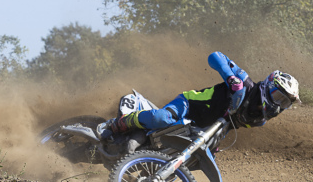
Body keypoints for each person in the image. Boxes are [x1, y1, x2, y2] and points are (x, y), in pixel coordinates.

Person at [99, 51, 300, 141]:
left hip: (199, 129)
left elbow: (227, 125)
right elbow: (215, 56)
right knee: (162, 118)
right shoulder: (244, 83)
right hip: (188, 105)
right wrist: (230, 77)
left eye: (284, 103)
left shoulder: (258, 120)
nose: (278, 104)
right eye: (278, 96)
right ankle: (119, 123)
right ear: (268, 86)